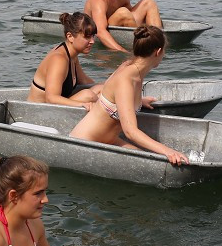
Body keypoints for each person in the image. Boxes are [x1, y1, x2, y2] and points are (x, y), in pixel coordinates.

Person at [69, 26, 189, 165]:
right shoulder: (126, 80)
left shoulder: (133, 68)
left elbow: (112, 94)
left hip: (109, 141)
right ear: (158, 51)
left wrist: (139, 101)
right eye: (164, 52)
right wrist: (168, 151)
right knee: (153, 161)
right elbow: (130, 132)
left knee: (148, 159)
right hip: (84, 144)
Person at [27, 12, 103, 110]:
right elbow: (51, 98)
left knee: (102, 88)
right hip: (38, 112)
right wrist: (81, 105)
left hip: (52, 109)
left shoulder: (72, 55)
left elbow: (84, 81)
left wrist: (109, 86)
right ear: (70, 36)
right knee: (88, 95)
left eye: (93, 36)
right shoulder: (59, 59)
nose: (92, 41)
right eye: (87, 36)